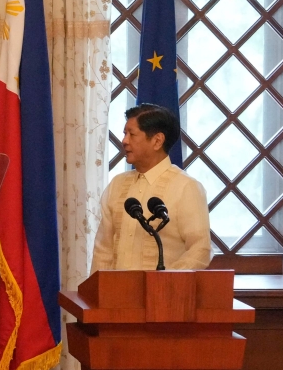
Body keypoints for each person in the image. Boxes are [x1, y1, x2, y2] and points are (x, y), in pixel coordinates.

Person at [90, 103, 211, 273]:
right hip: (116, 296)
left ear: (157, 141)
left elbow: (200, 250)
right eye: (125, 133)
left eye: (132, 134)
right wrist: (98, 294)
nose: (124, 141)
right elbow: (103, 250)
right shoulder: (117, 185)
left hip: (163, 296)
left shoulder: (186, 188)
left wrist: (163, 283)